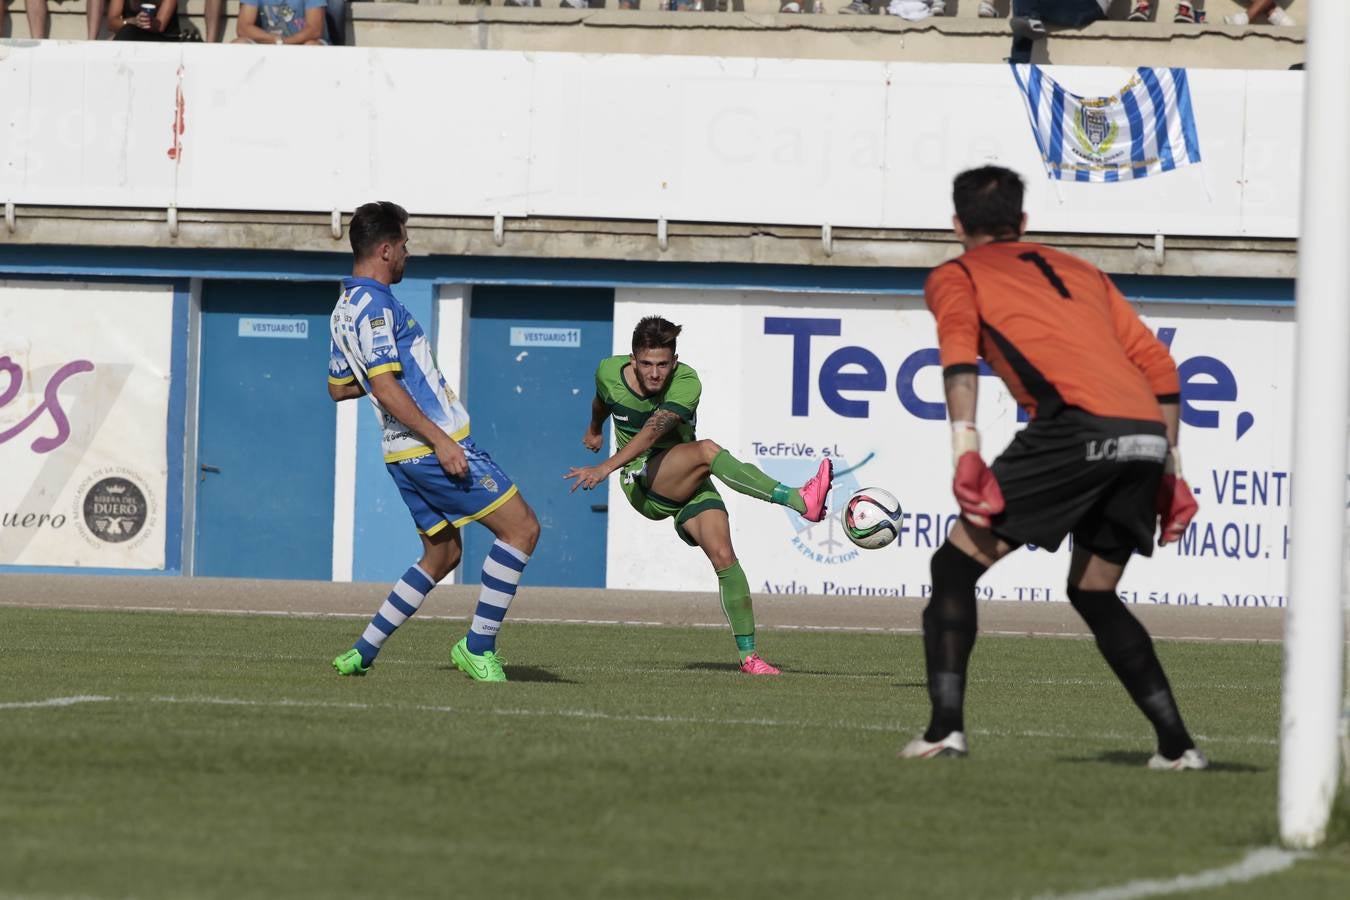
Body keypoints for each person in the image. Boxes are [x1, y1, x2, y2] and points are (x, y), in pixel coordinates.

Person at [900, 166, 1205, 770]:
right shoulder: (1082, 270)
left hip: (1077, 427)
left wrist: (966, 451)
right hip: (1145, 433)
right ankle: (1178, 747)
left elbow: (959, 358)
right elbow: (1160, 367)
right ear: (1024, 223)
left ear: (958, 225)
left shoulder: (955, 274)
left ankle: (944, 731)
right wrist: (1170, 469)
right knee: (1093, 590)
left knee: (954, 563)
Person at [328, 201, 541, 683]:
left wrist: (386, 380)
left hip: (399, 455)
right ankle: (477, 645)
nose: (407, 253)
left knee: (442, 554)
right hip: (429, 449)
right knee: (522, 529)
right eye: (404, 244)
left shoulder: (343, 309)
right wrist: (442, 441)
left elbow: (340, 387)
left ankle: (362, 651)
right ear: (385, 250)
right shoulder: (378, 306)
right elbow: (383, 385)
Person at [565, 316, 834, 676]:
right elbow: (602, 401)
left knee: (724, 555)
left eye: (663, 364)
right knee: (706, 451)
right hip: (642, 480)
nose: (655, 373)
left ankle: (749, 658)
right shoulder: (608, 371)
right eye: (646, 364)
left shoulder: (687, 381)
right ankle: (800, 500)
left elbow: (653, 429)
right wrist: (595, 430)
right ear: (632, 359)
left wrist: (602, 466)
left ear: (674, 362)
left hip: (682, 475)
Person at [232, 0, 326, 44]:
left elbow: (314, 30)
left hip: (303, 42)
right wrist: (276, 40)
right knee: (239, 45)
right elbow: (243, 28)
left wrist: (286, 42)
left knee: (311, 47)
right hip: (268, 42)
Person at [107, 0, 179, 39]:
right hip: (130, 35)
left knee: (127, 32)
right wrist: (131, 21)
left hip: (163, 39)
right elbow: (112, 23)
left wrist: (144, 21)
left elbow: (159, 27)